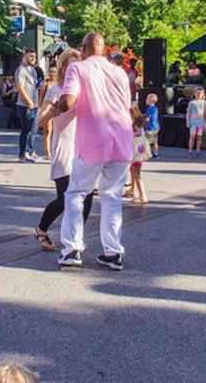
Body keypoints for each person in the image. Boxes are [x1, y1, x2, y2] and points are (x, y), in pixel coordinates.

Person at [57, 32, 132, 271]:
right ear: (104, 49)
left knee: (77, 193)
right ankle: (113, 252)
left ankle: (72, 249)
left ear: (84, 48)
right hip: (121, 139)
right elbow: (127, 105)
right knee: (112, 196)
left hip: (93, 141)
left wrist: (53, 110)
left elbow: (68, 101)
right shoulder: (120, 72)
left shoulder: (78, 68)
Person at [34, 49, 94, 251]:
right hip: (64, 150)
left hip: (85, 150)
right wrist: (54, 109)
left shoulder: (86, 91)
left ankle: (76, 240)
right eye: (71, 65)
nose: (75, 69)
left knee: (87, 198)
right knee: (64, 200)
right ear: (63, 68)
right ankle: (41, 229)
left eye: (78, 65)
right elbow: (40, 120)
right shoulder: (55, 90)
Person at [15, 49, 39, 162]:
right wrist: (29, 102)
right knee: (26, 130)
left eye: (34, 56)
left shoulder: (33, 70)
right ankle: (22, 155)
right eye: (31, 56)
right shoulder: (21, 70)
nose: (33, 58)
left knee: (33, 130)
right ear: (24, 56)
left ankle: (31, 151)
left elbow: (34, 86)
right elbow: (20, 87)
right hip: (25, 105)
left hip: (34, 105)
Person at [128, 105, 152, 204]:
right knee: (134, 171)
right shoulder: (140, 123)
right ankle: (133, 191)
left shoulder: (132, 126)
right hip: (140, 154)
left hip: (134, 154)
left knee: (137, 175)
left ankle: (143, 196)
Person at [186, 87, 206, 158]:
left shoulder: (205, 103)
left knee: (199, 137)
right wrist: (188, 121)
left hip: (201, 122)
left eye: (200, 93)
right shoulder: (191, 102)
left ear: (203, 94)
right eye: (197, 93)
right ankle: (190, 151)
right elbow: (188, 113)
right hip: (193, 122)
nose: (199, 94)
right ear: (195, 94)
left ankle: (198, 151)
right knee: (192, 136)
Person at [144, 93, 160, 158]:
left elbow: (147, 119)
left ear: (150, 100)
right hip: (156, 127)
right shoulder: (155, 108)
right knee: (155, 141)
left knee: (146, 141)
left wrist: (142, 121)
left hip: (150, 128)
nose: (145, 100)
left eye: (147, 99)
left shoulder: (148, 109)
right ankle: (155, 153)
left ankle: (147, 154)